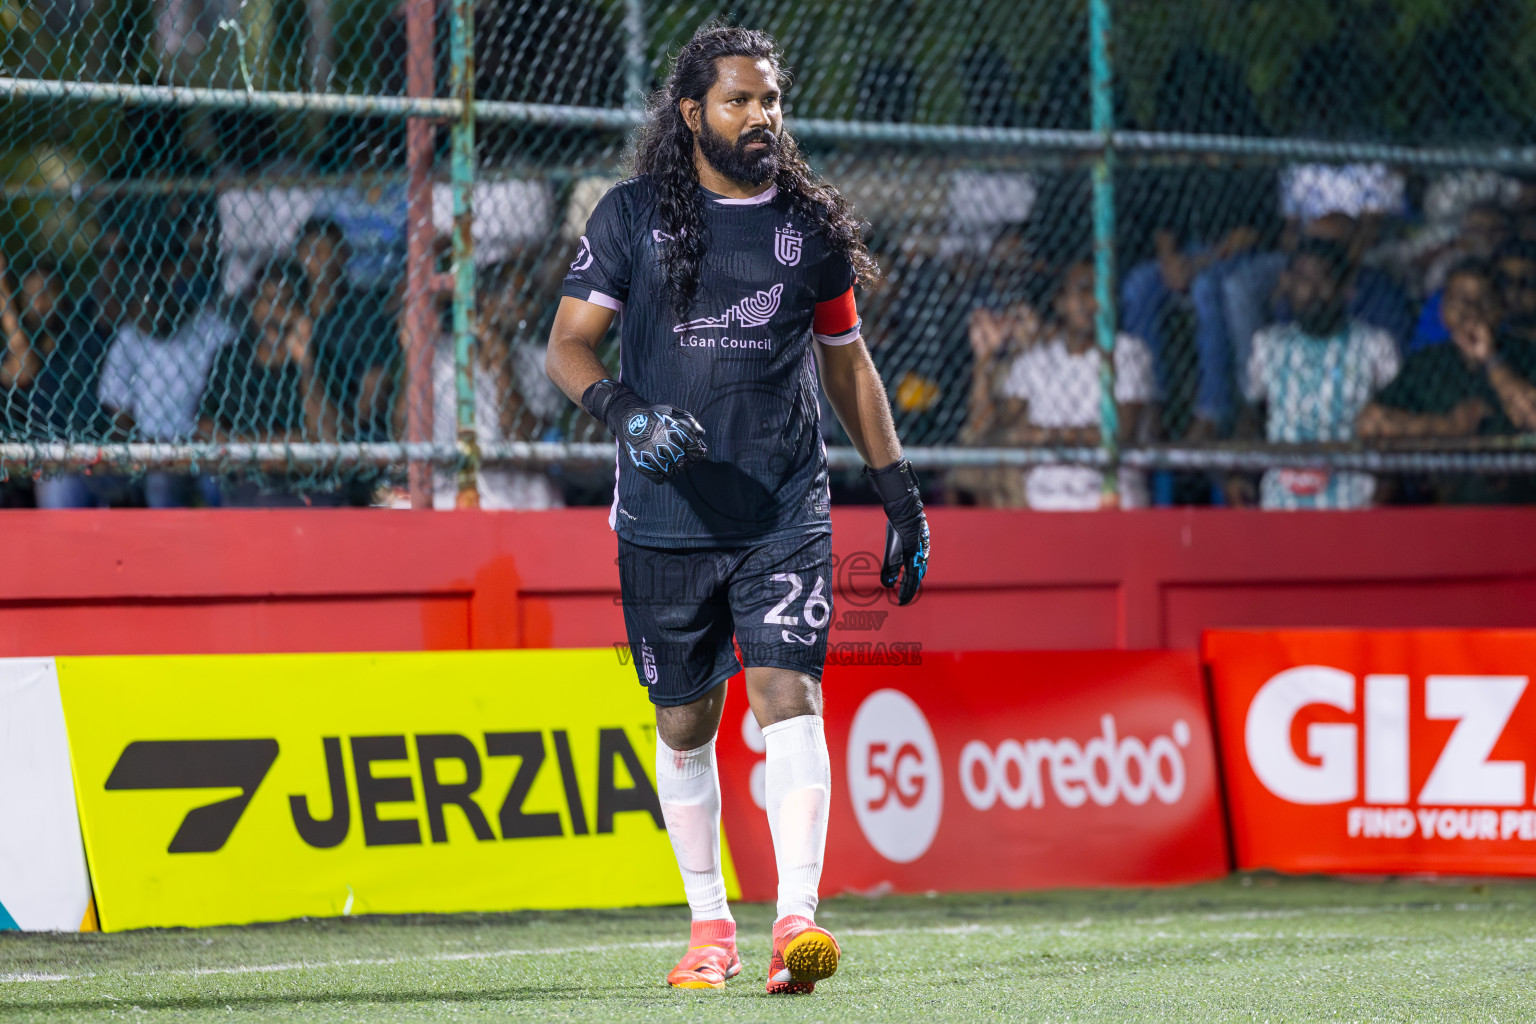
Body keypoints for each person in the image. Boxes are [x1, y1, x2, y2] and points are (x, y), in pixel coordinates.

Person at [545, 25, 928, 995]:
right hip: (664, 520)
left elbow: (847, 362)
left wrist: (897, 493)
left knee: (788, 696)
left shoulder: (810, 228)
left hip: (782, 511)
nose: (760, 117)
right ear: (691, 113)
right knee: (684, 723)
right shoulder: (629, 217)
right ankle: (708, 925)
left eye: (771, 102)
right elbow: (568, 348)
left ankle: (794, 919)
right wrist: (625, 413)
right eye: (739, 101)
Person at [969, 259, 1157, 510]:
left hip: (1109, 498)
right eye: (1081, 290)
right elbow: (991, 428)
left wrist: (1044, 435)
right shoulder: (1034, 361)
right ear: (1060, 302)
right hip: (1042, 499)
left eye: (1099, 292)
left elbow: (1120, 431)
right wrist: (985, 360)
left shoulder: (1128, 353)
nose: (1090, 301)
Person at [1234, 236, 1399, 510]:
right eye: (1302, 280)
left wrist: (1382, 493)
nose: (1312, 292)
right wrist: (1238, 473)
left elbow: (1394, 422)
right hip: (1282, 499)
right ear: (1287, 283)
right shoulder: (1269, 344)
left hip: (1352, 499)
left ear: (1346, 288)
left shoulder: (1374, 346)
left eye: (1324, 280)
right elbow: (1252, 414)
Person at [1358, 260, 1536, 504]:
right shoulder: (1427, 363)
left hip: (1520, 503)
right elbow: (1370, 424)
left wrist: (1491, 358)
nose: (1468, 312)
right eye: (1458, 300)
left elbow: (1531, 415)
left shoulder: (1526, 354)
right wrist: (1447, 427)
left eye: (1480, 302)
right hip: (1442, 502)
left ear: (1499, 310)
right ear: (1443, 311)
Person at [96, 221, 237, 507]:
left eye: (161, 294)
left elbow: (226, 403)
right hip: (150, 450)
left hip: (202, 446)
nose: (151, 315)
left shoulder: (212, 329)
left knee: (217, 484)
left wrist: (199, 439)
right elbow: (120, 415)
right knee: (160, 484)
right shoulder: (130, 336)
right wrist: (136, 445)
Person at [198, 258, 346, 506]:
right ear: (253, 305)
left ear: (302, 311)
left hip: (307, 484)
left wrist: (306, 365)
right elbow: (205, 429)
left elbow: (327, 439)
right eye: (266, 300)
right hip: (247, 480)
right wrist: (280, 447)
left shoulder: (323, 359)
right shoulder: (232, 359)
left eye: (286, 303)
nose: (274, 313)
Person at [431, 260, 563, 510]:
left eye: (532, 298)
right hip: (454, 495)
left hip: (524, 499)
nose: (531, 308)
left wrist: (503, 368)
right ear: (487, 302)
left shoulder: (541, 359)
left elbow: (525, 442)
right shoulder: (445, 358)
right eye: (521, 298)